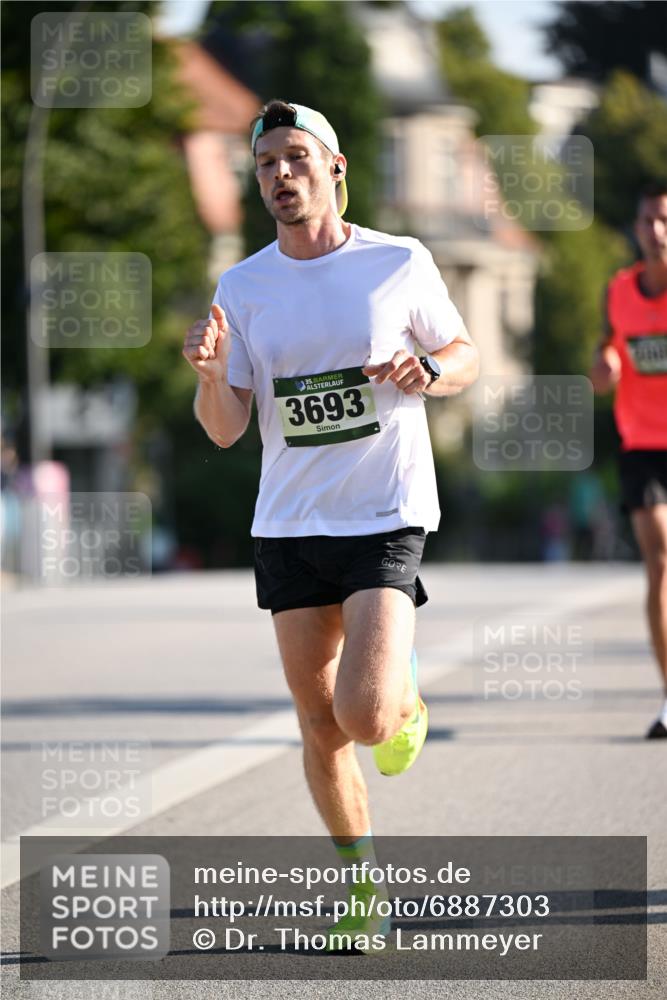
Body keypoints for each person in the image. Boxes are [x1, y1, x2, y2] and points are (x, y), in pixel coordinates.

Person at [182, 100, 479, 948]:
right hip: (287, 525)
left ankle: (402, 695)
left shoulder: (398, 262)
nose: (281, 174)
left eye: (297, 158)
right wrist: (210, 376)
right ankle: (361, 889)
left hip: (383, 514)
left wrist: (426, 368)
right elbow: (227, 426)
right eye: (266, 162)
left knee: (364, 718)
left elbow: (463, 356)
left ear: (335, 168)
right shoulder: (242, 287)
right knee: (318, 726)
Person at [590, 183, 667, 740]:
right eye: (648, 221)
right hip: (641, 444)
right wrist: (606, 363)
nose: (656, 231)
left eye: (664, 220)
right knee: (660, 565)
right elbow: (608, 345)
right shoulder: (619, 290)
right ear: (636, 228)